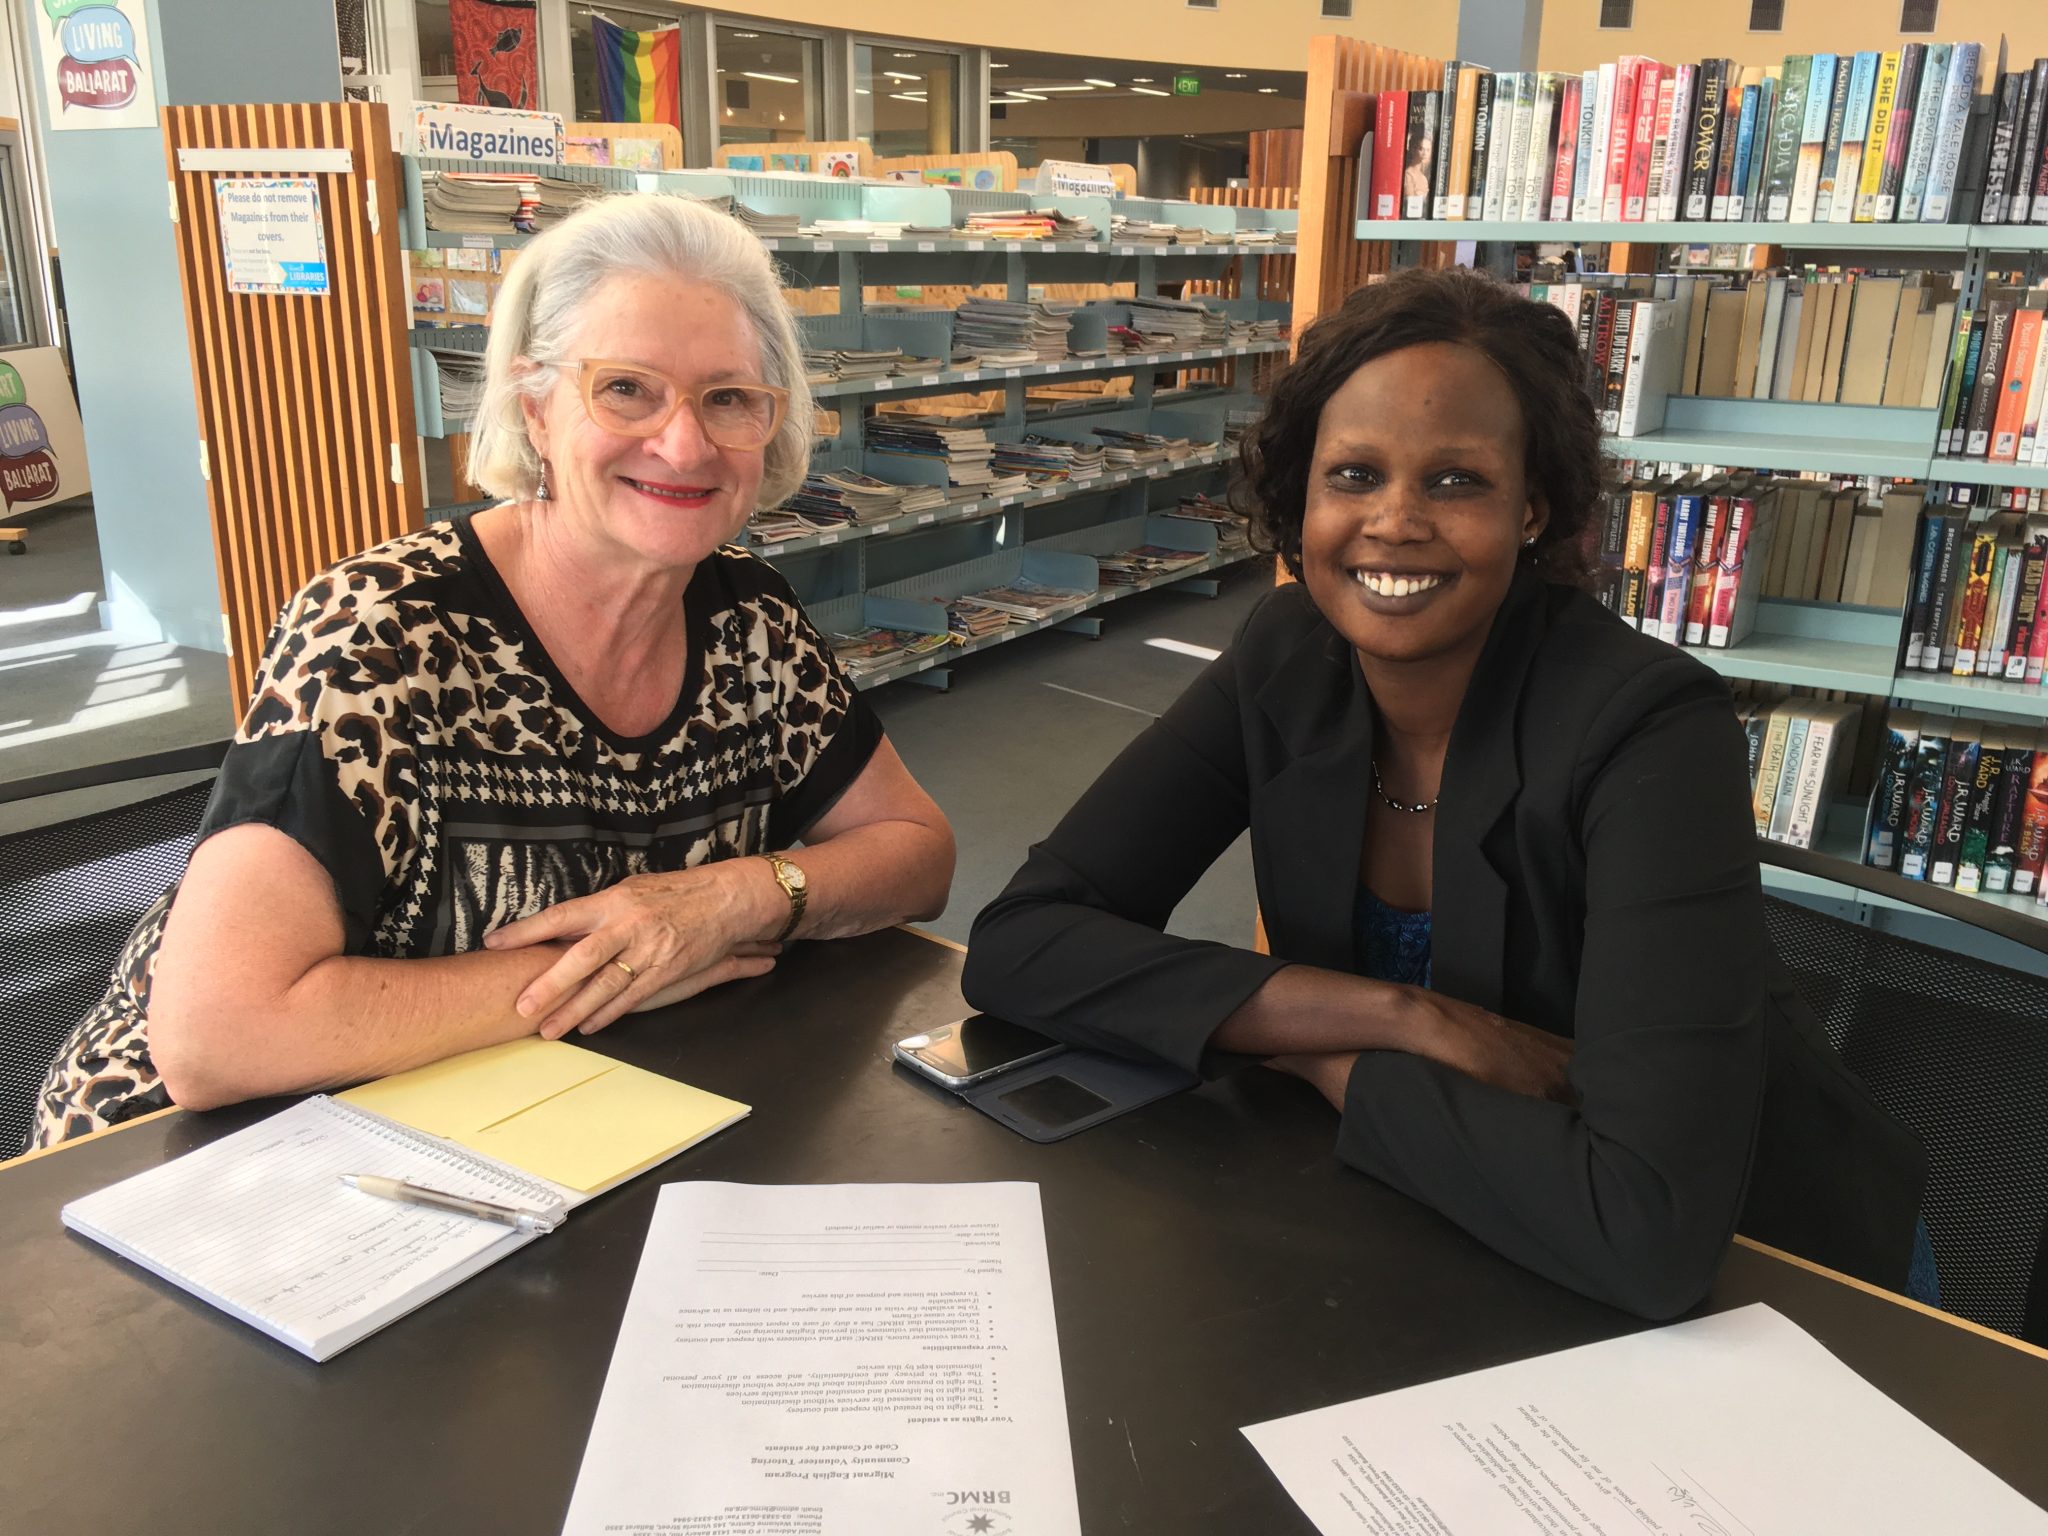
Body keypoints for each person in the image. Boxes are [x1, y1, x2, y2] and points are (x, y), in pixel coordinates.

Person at [962, 266, 1925, 1320]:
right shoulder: (1286, 653)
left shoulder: (1646, 726)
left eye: (1455, 481)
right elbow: (1021, 941)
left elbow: (1644, 1230)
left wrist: (1325, 1057)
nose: (1394, 522)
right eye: (1353, 475)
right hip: (1459, 1223)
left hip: (1781, 1285)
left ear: (1532, 508)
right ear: (1300, 500)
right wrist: (1398, 1017)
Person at [31, 194, 955, 1148]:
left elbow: (916, 853)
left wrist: (744, 898)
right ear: (536, 407)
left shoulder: (748, 615)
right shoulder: (382, 632)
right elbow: (217, 1036)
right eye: (627, 388)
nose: (684, 444)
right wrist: (625, 966)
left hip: (533, 1110)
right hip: (208, 1154)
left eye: (727, 398)